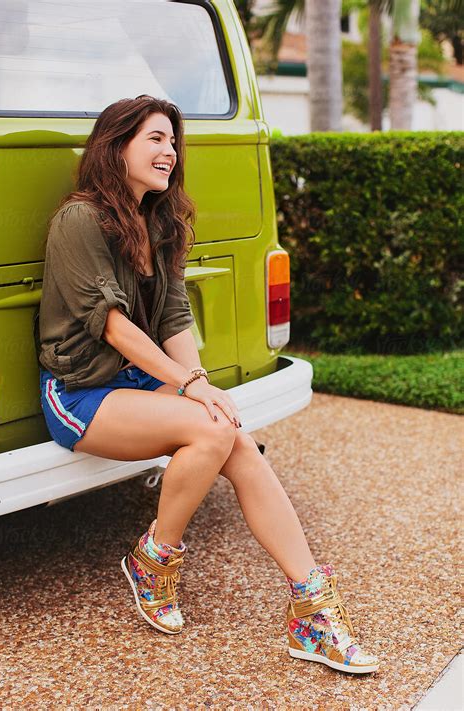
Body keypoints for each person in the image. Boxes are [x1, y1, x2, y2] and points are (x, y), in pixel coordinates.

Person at [37, 95, 379, 675]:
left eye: (173, 141)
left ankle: (312, 609)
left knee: (231, 435)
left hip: (138, 381)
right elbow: (114, 325)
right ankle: (153, 563)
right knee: (210, 427)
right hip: (80, 390)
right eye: (154, 138)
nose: (169, 151)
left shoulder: (162, 222)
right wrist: (192, 385)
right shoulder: (79, 219)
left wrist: (198, 382)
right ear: (115, 145)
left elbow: (172, 318)